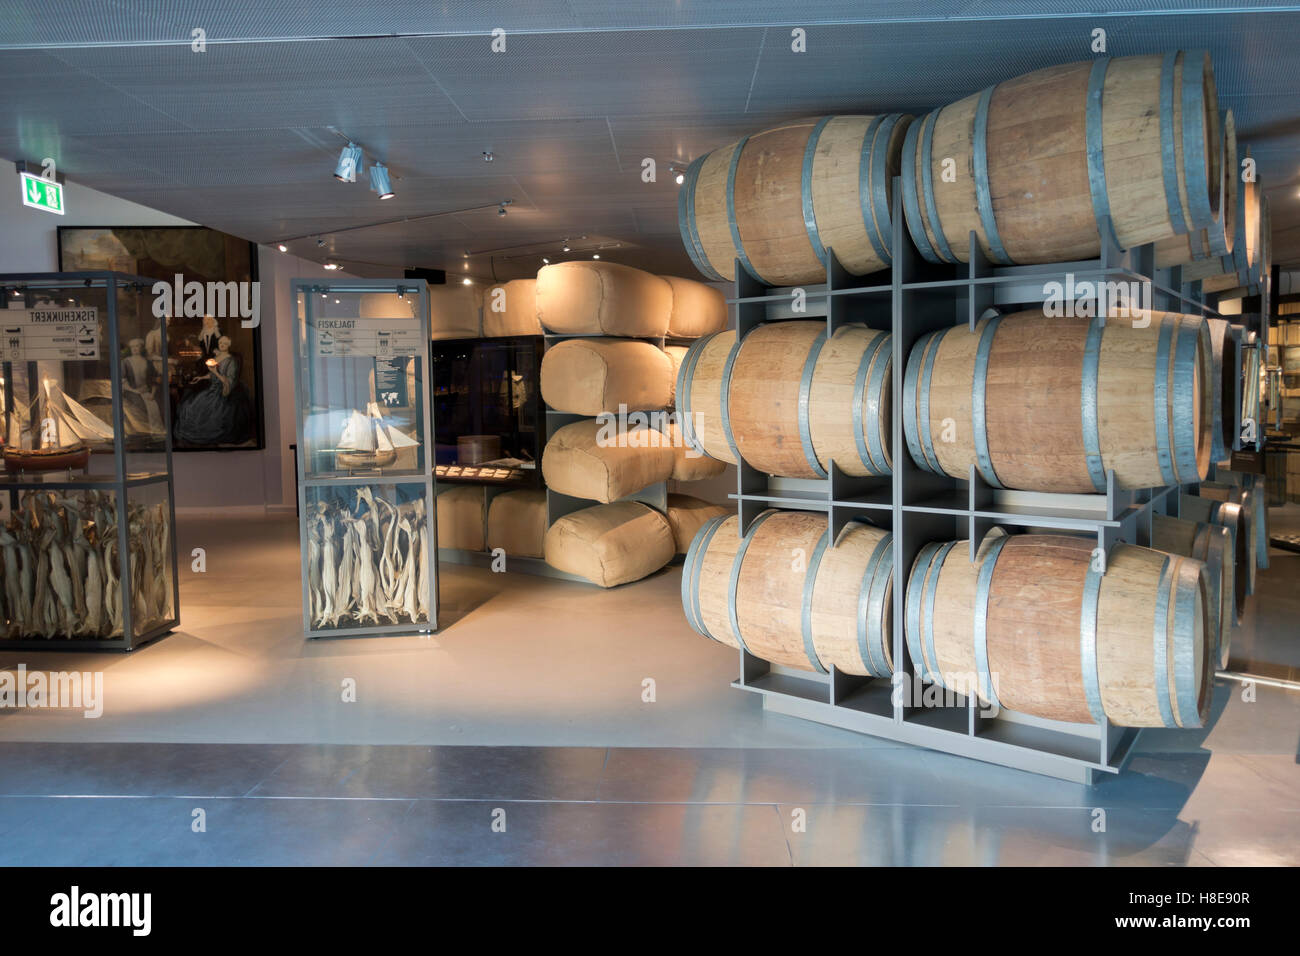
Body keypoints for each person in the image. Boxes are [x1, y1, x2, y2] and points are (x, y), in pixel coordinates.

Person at [173, 335, 252, 446]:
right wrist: (201, 377)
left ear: (229, 345)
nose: (222, 345)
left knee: (207, 410)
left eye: (224, 344)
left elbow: (227, 381)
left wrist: (215, 372)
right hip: (212, 389)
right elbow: (212, 375)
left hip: (222, 392)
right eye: (220, 343)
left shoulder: (231, 361)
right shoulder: (216, 358)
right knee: (189, 405)